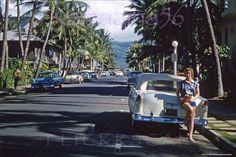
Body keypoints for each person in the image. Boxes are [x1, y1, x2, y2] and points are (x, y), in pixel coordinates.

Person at [176, 67, 200, 142]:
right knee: (191, 109)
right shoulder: (181, 83)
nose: (187, 74)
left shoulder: (195, 83)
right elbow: (177, 92)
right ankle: (186, 119)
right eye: (186, 73)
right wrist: (180, 98)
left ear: (191, 74)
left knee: (191, 118)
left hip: (192, 100)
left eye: (189, 73)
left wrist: (193, 98)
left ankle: (190, 136)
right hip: (185, 100)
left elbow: (198, 93)